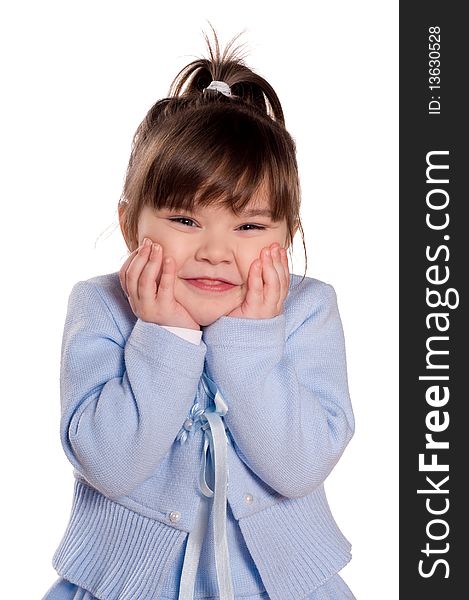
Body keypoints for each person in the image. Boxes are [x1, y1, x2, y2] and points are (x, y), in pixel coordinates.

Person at [42, 24, 356, 600]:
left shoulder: (308, 312)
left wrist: (254, 345)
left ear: (288, 236)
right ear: (129, 224)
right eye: (185, 221)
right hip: (124, 587)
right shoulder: (102, 308)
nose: (215, 250)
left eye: (250, 226)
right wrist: (166, 337)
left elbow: (299, 467)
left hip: (281, 588)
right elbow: (107, 464)